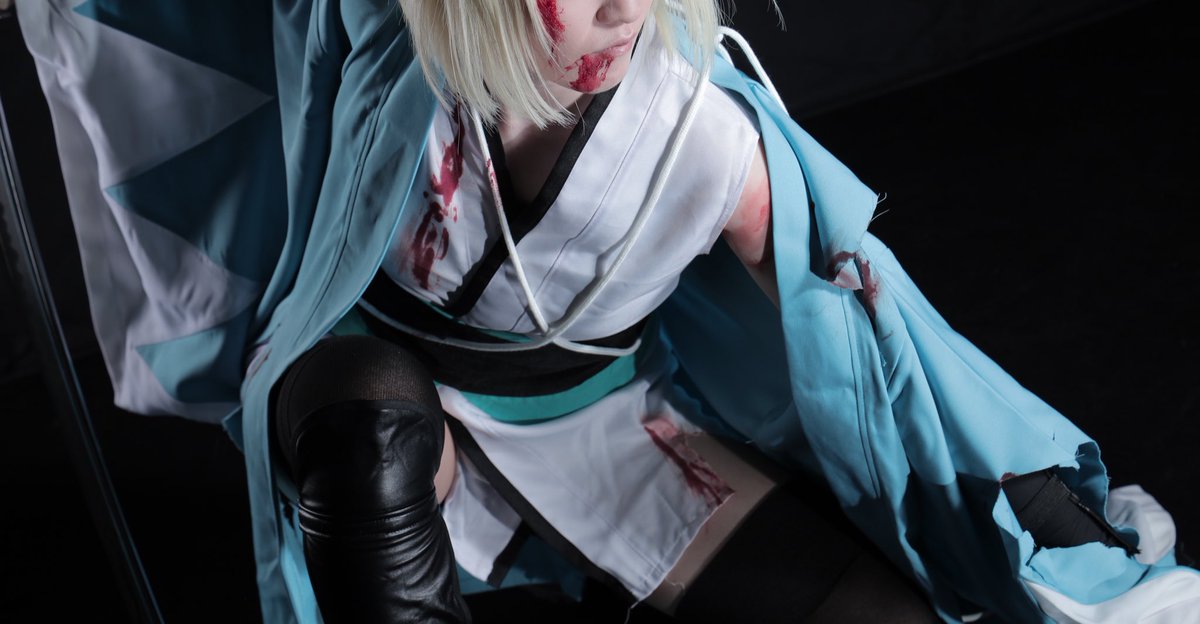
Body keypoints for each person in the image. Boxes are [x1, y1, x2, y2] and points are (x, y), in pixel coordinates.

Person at [18, 0, 1199, 622]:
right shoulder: (387, 35)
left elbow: (894, 354)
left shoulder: (703, 145)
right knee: (372, 434)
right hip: (371, 376)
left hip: (600, 424)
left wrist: (1052, 523)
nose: (626, 7)